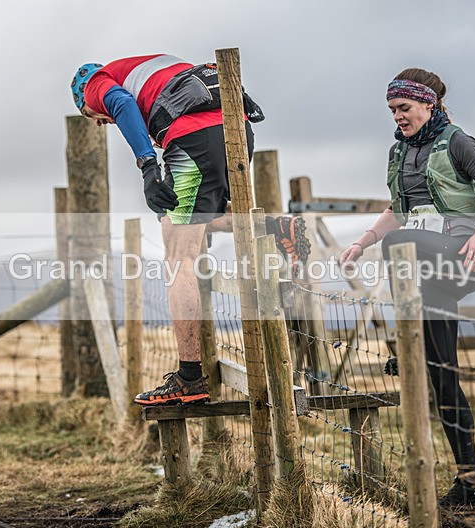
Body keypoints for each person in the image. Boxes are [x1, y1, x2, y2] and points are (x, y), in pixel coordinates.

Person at [70, 55, 310, 406]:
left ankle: (189, 378)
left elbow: (120, 103)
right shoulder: (153, 67)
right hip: (236, 129)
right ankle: (276, 227)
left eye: (93, 117)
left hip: (193, 134)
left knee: (178, 257)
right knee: (182, 220)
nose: (99, 122)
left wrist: (147, 165)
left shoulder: (94, 82)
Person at [339, 68, 475, 506]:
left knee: (401, 244)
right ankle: (470, 482)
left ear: (428, 104)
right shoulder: (399, 152)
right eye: (392, 110)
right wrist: (361, 242)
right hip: (422, 273)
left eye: (405, 108)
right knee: (442, 376)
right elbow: (398, 212)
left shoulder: (458, 141)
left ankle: (406, 340)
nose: (397, 116)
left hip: (460, 257)